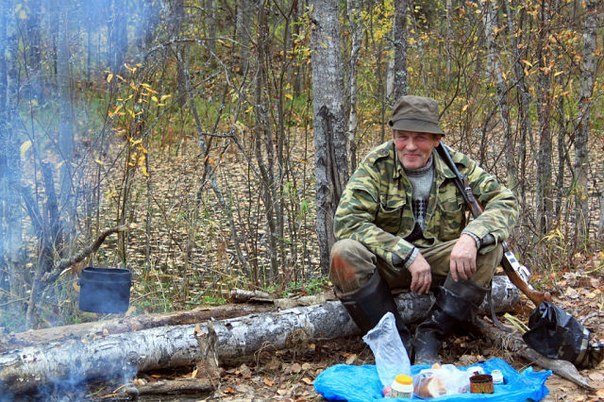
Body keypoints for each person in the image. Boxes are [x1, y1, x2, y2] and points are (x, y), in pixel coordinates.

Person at [330, 95, 519, 364]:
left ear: (436, 139)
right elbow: (347, 222)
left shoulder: (457, 166)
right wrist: (405, 253)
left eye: (420, 138)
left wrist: (472, 236)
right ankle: (394, 341)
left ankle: (431, 333)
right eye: (402, 136)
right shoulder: (377, 166)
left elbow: (506, 201)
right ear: (393, 135)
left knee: (490, 247)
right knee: (344, 253)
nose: (410, 146)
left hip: (442, 263)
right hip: (389, 265)